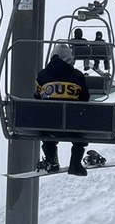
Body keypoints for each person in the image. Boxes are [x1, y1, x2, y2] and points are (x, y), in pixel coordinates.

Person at [34, 41, 90, 176]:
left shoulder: (42, 76)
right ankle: (75, 163)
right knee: (81, 127)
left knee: (46, 117)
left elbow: (36, 98)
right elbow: (85, 98)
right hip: (73, 128)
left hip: (48, 128)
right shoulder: (77, 76)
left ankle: (51, 159)